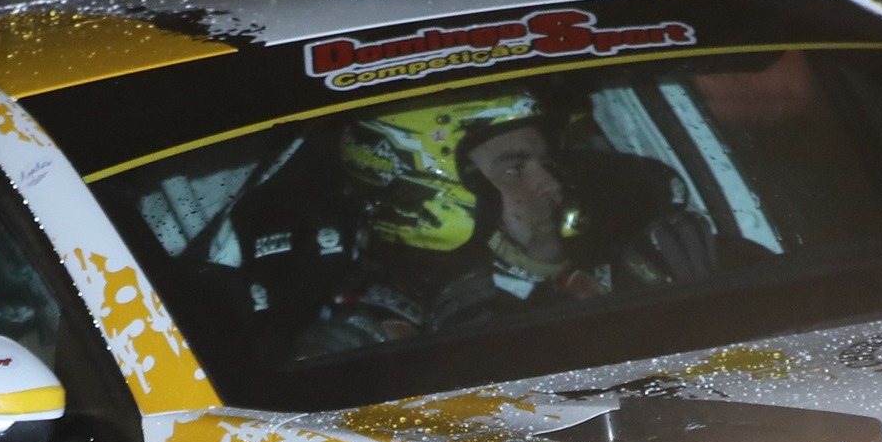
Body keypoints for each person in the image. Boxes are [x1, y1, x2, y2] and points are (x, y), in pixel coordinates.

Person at [297, 91, 722, 355]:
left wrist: (689, 303)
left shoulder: (631, 266)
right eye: (514, 170)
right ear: (430, 191)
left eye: (548, 162)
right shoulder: (369, 345)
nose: (551, 186)